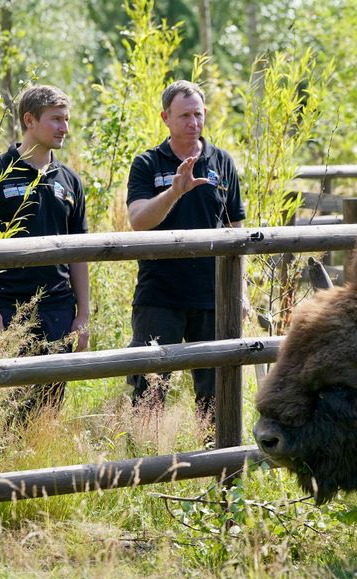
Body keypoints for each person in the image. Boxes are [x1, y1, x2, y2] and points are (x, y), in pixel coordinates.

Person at [0, 85, 90, 420]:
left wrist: (83, 314)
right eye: (56, 120)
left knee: (45, 412)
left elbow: (80, 252)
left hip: (56, 309)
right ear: (29, 120)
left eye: (66, 119)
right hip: (3, 309)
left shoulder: (70, 181)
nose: (64, 127)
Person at [125, 80, 245, 418]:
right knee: (149, 387)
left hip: (212, 294)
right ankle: (144, 461)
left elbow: (236, 229)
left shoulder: (221, 162)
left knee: (215, 390)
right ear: (165, 117)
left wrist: (241, 292)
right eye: (184, 116)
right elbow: (138, 220)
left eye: (198, 114)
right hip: (160, 294)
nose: (193, 123)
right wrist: (175, 191)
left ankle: (218, 462)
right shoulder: (148, 163)